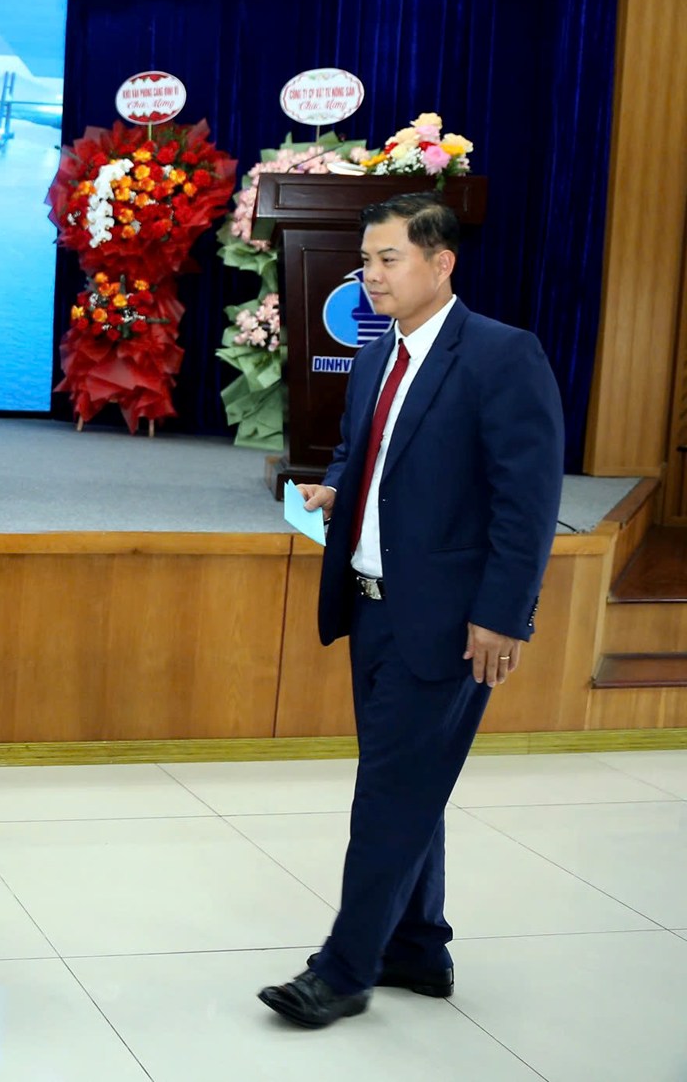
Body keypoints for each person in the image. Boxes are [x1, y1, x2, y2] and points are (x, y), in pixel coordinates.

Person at [260, 193, 562, 1026]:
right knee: (407, 782)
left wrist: (504, 615)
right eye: (365, 260)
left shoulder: (502, 355)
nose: (371, 275)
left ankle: (343, 971)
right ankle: (418, 948)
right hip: (372, 610)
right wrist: (335, 486)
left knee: (389, 795)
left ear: (441, 262)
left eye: (388, 259)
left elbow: (528, 502)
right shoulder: (374, 358)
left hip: (450, 622)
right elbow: (360, 455)